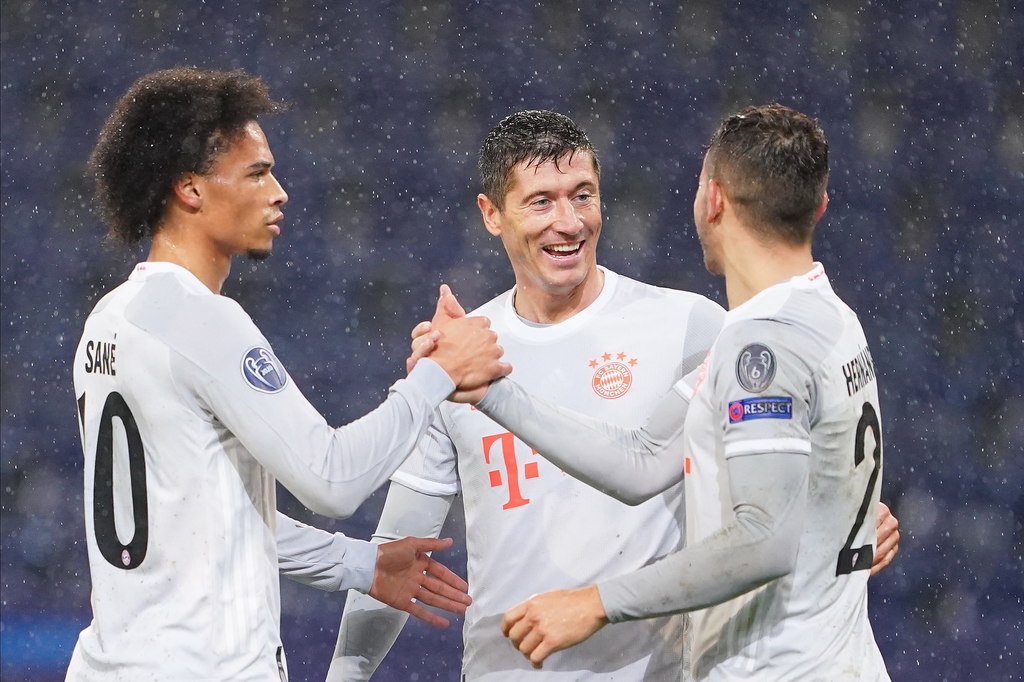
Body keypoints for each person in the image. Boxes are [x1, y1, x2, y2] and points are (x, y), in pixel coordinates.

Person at [331, 110, 898, 681]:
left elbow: (753, 522)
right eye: (541, 202)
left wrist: (829, 516)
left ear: (713, 201)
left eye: (582, 195)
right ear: (491, 214)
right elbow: (396, 555)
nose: (568, 222)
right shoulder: (459, 353)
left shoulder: (704, 329)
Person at [68, 67, 509, 682]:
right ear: (190, 189)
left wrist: (362, 565)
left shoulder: (109, 318)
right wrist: (437, 374)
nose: (279, 193)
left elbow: (199, 520)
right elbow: (332, 479)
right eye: (256, 173)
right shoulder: (202, 320)